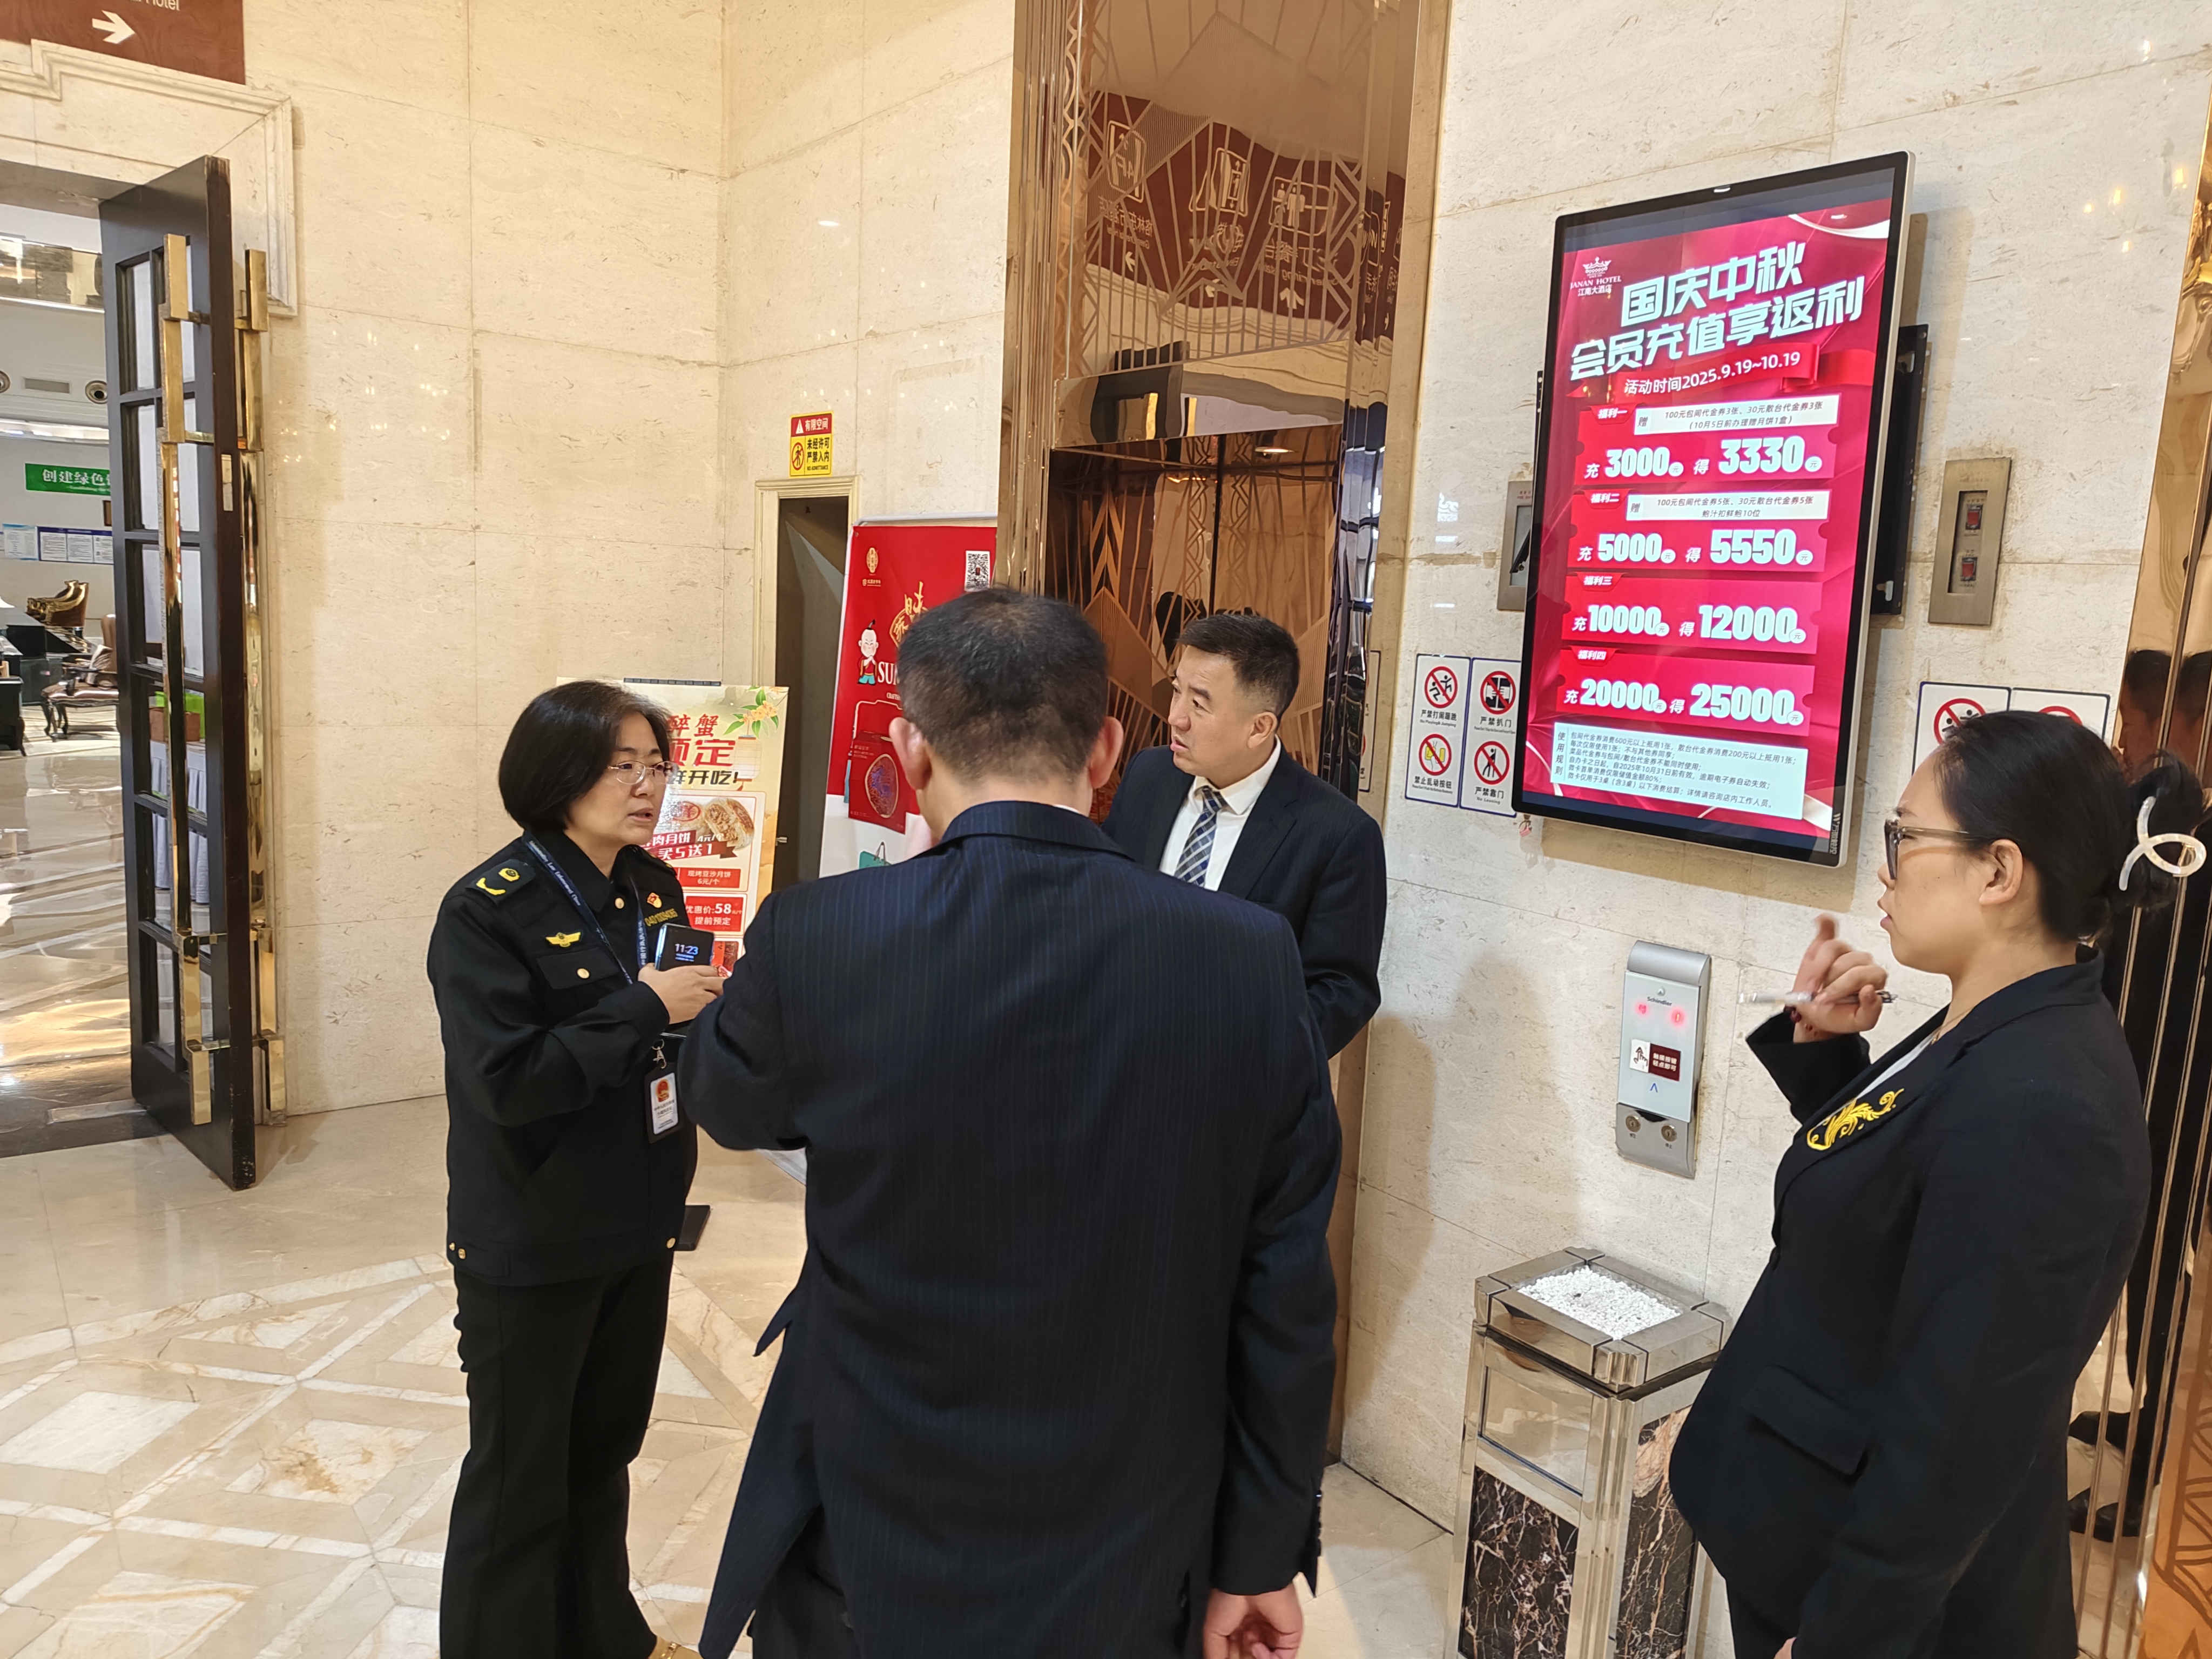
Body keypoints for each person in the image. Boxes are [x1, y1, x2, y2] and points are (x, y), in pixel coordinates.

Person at [677, 589, 1340, 1658]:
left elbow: (726, 1099)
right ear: (1108, 750)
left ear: (908, 752)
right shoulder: (1249, 958)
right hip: (1132, 1538)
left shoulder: (819, 938)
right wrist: (1257, 1554)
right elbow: (1285, 1290)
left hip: (872, 1532)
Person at [1668, 709, 2201, 1659]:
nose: (1887, 865)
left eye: (1906, 836)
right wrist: (1829, 1060)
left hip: (1880, 1608)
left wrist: (1842, 1636)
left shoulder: (2050, 1103)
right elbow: (1898, 1205)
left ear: (1999, 871)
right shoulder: (1997, 1019)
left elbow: (1956, 1434)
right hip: (1803, 1531)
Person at [427, 682, 725, 1659]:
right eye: (620, 766)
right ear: (558, 776)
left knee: (601, 1457)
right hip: (533, 1233)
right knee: (518, 1485)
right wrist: (644, 1007)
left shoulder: (650, 883)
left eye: (656, 765)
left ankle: (607, 1638)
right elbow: (509, 1082)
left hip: (638, 1219)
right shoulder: (486, 911)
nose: (646, 786)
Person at [1104, 610, 1387, 1057]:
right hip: (1116, 1057)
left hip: (1235, 1087)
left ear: (1260, 727)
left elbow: (1342, 991)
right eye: (1177, 692)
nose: (1176, 718)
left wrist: (1245, 1059)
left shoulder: (1338, 835)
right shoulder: (1149, 775)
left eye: (1199, 704)